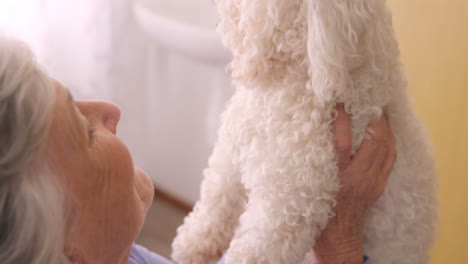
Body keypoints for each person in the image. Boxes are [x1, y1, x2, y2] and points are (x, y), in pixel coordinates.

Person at [0, 35, 395, 264]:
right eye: (85, 133)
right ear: (66, 251)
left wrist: (252, 234)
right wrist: (342, 243)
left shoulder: (116, 252)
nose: (109, 111)